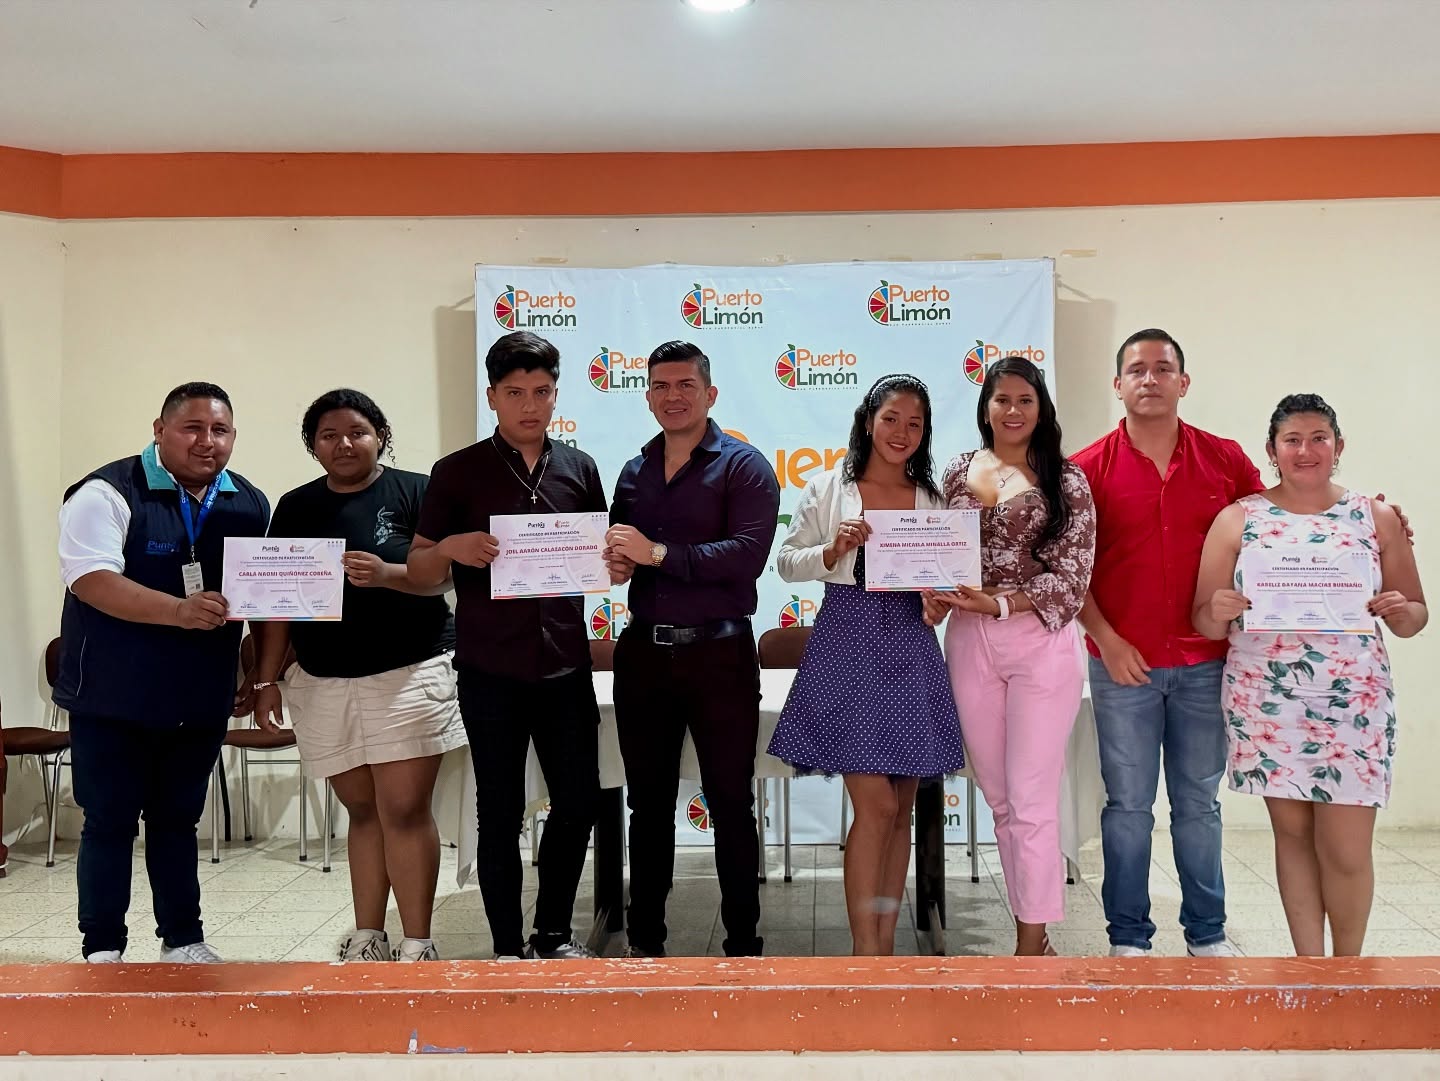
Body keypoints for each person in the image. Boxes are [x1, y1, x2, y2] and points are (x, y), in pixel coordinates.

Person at [1192, 393, 1426, 956]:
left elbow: (1416, 614)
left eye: (1318, 438)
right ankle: (1310, 968)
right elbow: (1203, 618)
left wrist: (1401, 611)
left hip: (1353, 702)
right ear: (1271, 450)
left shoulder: (1376, 517)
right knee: (1293, 837)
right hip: (1268, 700)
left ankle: (1347, 970)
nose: (1305, 450)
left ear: (1338, 446)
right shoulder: (1238, 519)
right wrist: (1218, 610)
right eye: (1292, 440)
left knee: (1345, 848)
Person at [52, 382, 269, 963]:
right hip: (111, 695)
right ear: (159, 430)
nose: (207, 442)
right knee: (109, 822)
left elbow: (260, 594)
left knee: (178, 821)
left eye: (220, 430)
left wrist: (260, 672)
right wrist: (177, 611)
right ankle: (103, 947)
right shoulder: (106, 492)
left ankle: (183, 938)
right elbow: (91, 579)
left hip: (198, 697)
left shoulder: (248, 502)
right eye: (192, 428)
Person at [247, 389, 466, 963]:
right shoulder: (295, 506)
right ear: (313, 446)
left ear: (380, 436)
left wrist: (389, 573)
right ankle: (368, 935)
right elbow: (278, 602)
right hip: (324, 681)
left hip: (409, 674)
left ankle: (417, 941)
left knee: (404, 810)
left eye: (357, 432)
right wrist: (266, 681)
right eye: (329, 435)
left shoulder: (417, 490)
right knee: (362, 812)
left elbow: (444, 577)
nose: (344, 444)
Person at [408, 331, 605, 961]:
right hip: (490, 669)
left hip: (566, 666)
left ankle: (553, 934)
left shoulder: (579, 468)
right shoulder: (457, 471)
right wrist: (450, 548)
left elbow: (596, 556)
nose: (529, 405)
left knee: (578, 803)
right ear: (492, 396)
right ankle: (505, 948)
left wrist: (615, 563)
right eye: (515, 392)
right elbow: (419, 568)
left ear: (556, 395)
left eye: (541, 392)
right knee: (498, 812)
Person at [1071, 329, 1261, 958]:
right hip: (1122, 665)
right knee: (1128, 807)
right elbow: (1070, 569)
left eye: (1162, 368)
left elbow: (1276, 528)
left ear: (1184, 382)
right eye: (1136, 369)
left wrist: (1363, 519)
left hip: (1207, 662)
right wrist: (1106, 639)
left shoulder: (1225, 460)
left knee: (1199, 805)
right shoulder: (1085, 470)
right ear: (1117, 384)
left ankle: (1207, 932)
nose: (1149, 379)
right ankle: (1128, 937)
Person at [768, 374, 965, 956]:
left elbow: (941, 581)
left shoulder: (932, 498)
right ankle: (864, 951)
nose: (902, 432)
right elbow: (787, 562)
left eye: (915, 423)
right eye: (891, 419)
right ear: (868, 421)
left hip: (910, 644)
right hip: (847, 643)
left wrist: (938, 602)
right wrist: (832, 549)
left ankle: (885, 945)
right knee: (876, 805)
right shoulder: (830, 486)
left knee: (901, 808)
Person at [605, 340, 781, 959]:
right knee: (647, 806)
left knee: (730, 801)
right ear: (648, 396)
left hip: (720, 657)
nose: (672, 396)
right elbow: (623, 549)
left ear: (710, 394)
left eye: (685, 385)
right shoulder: (634, 471)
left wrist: (656, 554)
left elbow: (745, 556)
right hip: (643, 656)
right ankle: (645, 943)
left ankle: (743, 944)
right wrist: (618, 565)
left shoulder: (745, 466)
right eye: (661, 386)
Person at [925, 356, 1095, 956]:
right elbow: (940, 553)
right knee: (1000, 798)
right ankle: (1034, 937)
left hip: (1039, 639)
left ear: (1041, 408)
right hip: (970, 639)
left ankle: (1031, 943)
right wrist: (934, 595)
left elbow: (1073, 580)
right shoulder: (958, 471)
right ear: (986, 407)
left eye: (1025, 399)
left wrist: (1000, 604)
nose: (1013, 410)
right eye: (1002, 399)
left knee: (1030, 798)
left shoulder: (1067, 481)